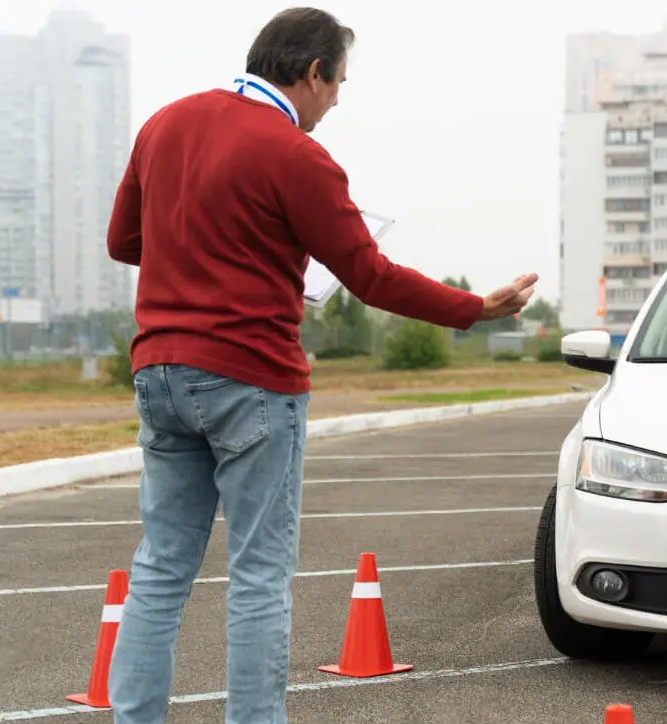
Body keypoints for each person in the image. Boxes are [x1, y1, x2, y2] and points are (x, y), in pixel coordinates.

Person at [101, 7, 536, 723]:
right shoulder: (297, 155)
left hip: (160, 371)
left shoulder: (164, 125)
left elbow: (125, 241)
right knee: (259, 577)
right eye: (337, 83)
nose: (335, 100)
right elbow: (368, 276)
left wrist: (202, 250)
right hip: (250, 379)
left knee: (160, 568)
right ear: (311, 72)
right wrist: (472, 308)